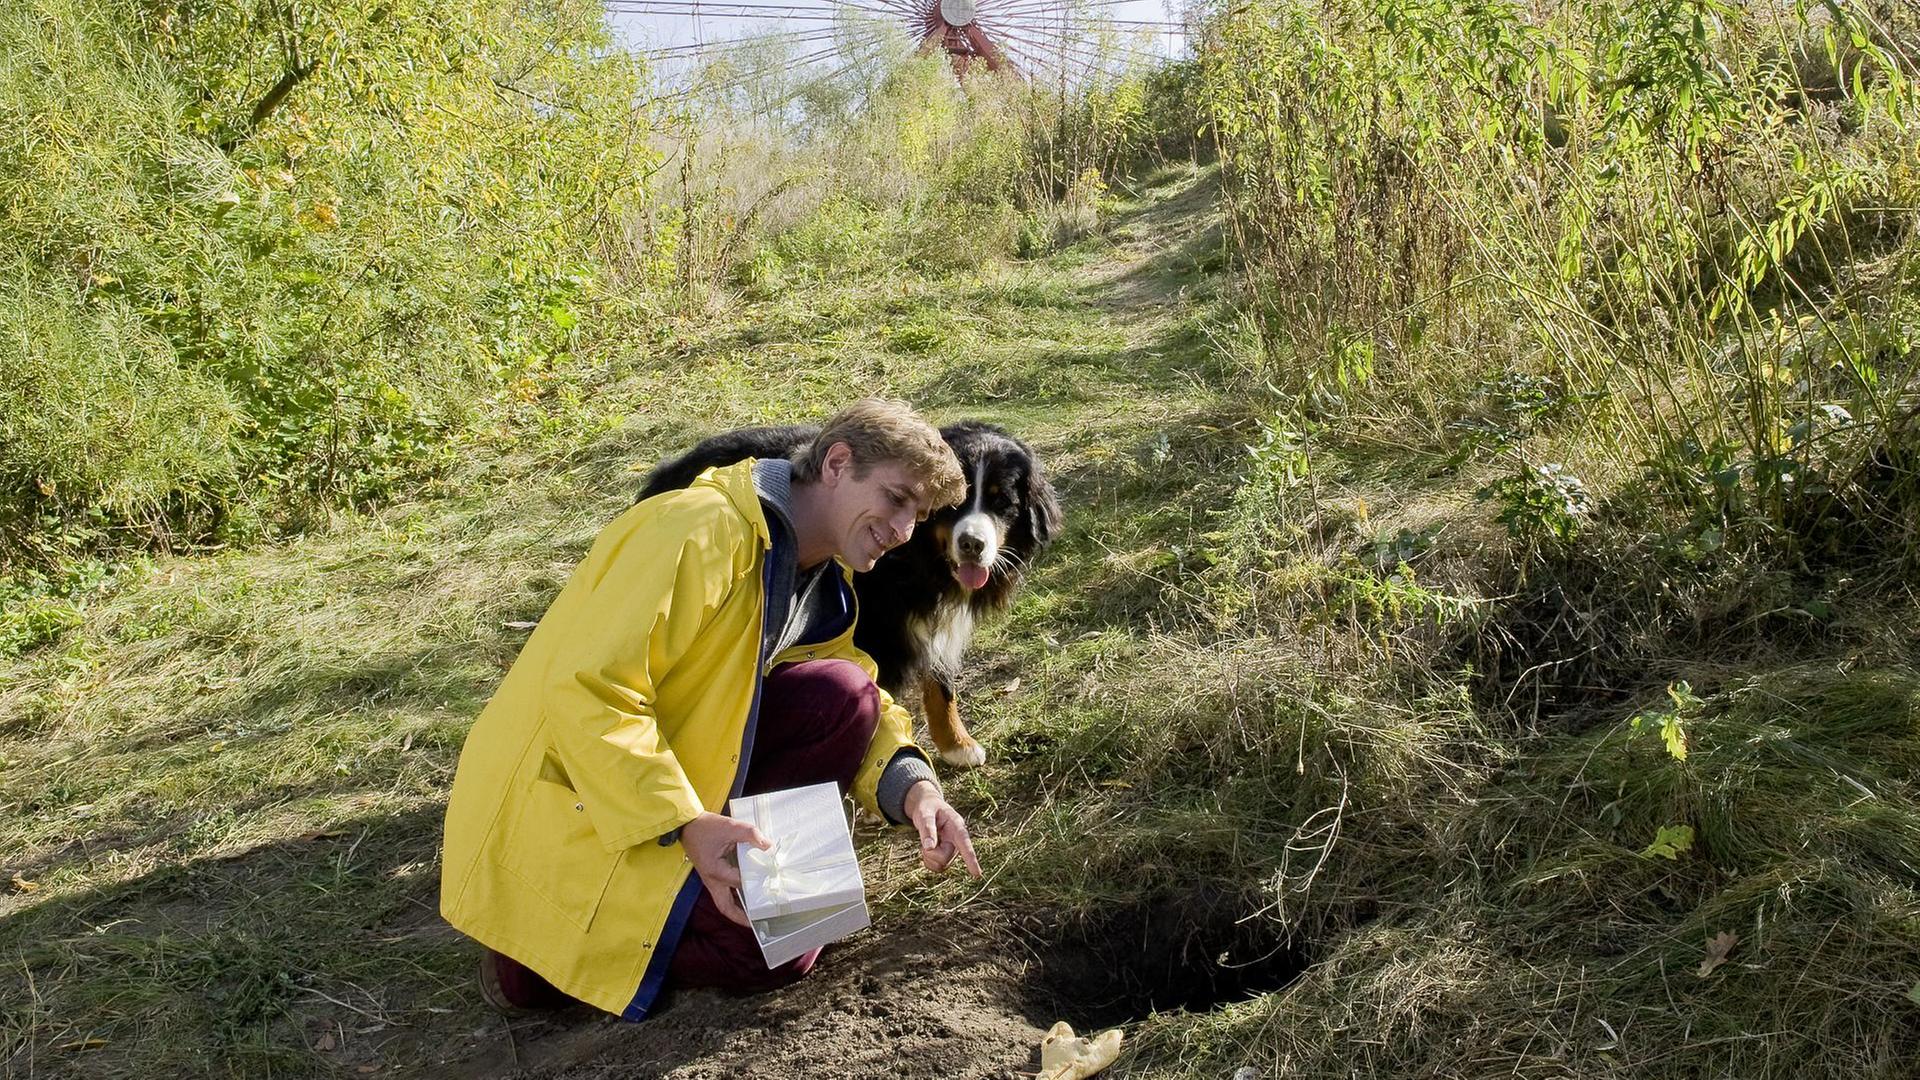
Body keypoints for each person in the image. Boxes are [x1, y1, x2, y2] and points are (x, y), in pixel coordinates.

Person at [439, 398, 982, 1020]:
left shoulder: (816, 571)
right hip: (577, 801)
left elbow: (855, 687)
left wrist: (914, 790)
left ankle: (742, 879)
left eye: (918, 513)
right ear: (836, 463)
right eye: (896, 498)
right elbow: (590, 692)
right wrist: (686, 822)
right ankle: (528, 960)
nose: (904, 530)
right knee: (770, 956)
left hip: (670, 773)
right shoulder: (695, 530)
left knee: (842, 696)